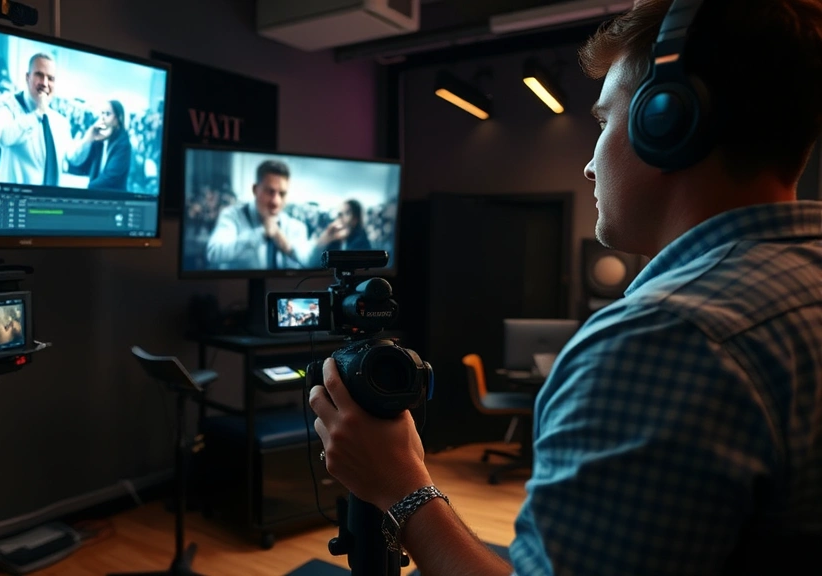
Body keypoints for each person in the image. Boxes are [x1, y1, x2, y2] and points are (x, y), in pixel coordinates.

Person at [308, 1, 822, 574]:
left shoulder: (659, 341)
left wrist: (400, 485)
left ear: (667, 121)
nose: (588, 165)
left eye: (603, 122)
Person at [205, 160, 347, 269]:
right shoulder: (233, 216)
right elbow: (214, 254)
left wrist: (323, 240)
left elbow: (307, 261)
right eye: (270, 192)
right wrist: (260, 234)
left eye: (282, 194)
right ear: (255, 189)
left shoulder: (294, 226)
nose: (276, 201)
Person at [0, 53, 74, 186]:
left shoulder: (60, 122)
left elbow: (72, 157)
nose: (45, 83)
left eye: (50, 78)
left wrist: (90, 138)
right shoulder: (7, 103)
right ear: (27, 77)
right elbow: (2, 136)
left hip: (50, 203)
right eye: (39, 75)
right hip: (14, 200)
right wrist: (38, 113)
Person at [66, 100, 133, 191]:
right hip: (98, 195)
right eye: (102, 113)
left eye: (108, 114)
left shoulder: (123, 144)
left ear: (118, 118)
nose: (103, 117)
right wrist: (89, 137)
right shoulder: (101, 139)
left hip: (114, 199)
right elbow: (79, 165)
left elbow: (110, 178)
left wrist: (87, 187)